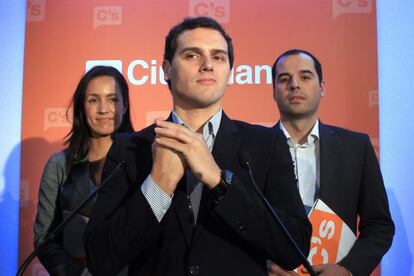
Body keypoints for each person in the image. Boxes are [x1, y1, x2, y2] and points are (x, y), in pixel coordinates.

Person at [84, 17, 311, 276]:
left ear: (229, 72)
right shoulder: (129, 149)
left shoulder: (266, 144)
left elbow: (295, 250)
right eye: (192, 55)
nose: (207, 66)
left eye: (218, 57)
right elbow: (99, 260)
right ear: (167, 69)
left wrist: (219, 182)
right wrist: (158, 185)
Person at [267, 49, 394, 276]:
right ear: (273, 92)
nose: (294, 85)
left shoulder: (356, 147)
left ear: (322, 87)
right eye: (284, 79)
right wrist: (262, 267)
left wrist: (348, 269)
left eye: (305, 77)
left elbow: (379, 226)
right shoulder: (251, 148)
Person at [33, 66, 134, 275]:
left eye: (113, 99)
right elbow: (45, 240)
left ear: (124, 107)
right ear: (82, 107)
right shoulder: (59, 165)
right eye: (93, 100)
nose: (103, 109)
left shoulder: (145, 162)